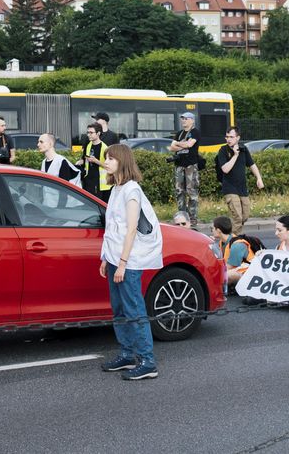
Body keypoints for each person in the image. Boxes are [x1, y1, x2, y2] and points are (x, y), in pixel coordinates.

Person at [98, 144, 163, 381]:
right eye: (106, 158)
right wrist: (106, 257)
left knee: (134, 308)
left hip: (130, 260)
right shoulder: (116, 188)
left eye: (111, 158)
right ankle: (127, 354)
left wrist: (123, 262)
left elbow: (131, 229)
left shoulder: (132, 190)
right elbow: (111, 228)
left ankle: (147, 361)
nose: (107, 161)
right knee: (119, 309)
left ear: (122, 161)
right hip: (115, 257)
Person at [215, 125, 264, 236]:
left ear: (238, 138)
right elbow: (225, 169)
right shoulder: (223, 150)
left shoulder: (243, 149)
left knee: (244, 216)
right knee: (238, 217)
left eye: (231, 137)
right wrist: (235, 155)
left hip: (242, 188)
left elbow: (252, 164)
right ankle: (233, 241)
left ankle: (227, 234)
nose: (228, 139)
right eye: (227, 137)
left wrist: (259, 178)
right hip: (229, 188)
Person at [168, 111, 201, 226]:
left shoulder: (195, 132)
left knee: (192, 192)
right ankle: (182, 216)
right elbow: (171, 148)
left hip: (190, 166)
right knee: (179, 191)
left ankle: (192, 219)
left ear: (192, 120)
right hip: (179, 165)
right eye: (182, 118)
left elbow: (189, 145)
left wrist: (178, 144)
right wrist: (181, 143)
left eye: (186, 118)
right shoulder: (179, 133)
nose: (183, 121)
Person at [212, 215, 257, 289]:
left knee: (224, 275)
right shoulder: (222, 242)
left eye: (213, 228)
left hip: (250, 274)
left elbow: (228, 267)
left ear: (219, 230)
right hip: (238, 271)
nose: (212, 230)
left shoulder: (237, 245)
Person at [76, 123, 111, 200]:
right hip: (88, 180)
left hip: (99, 183)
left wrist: (96, 161)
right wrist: (80, 161)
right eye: (88, 132)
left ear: (98, 133)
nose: (88, 135)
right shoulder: (88, 145)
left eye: (91, 133)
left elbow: (109, 167)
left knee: (97, 204)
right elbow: (84, 158)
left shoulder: (105, 148)